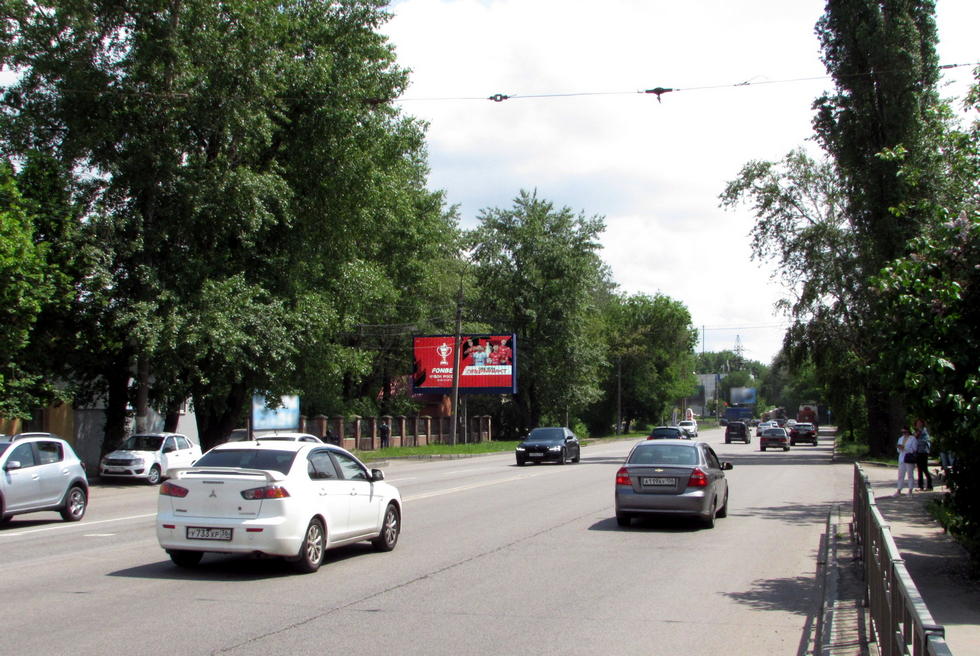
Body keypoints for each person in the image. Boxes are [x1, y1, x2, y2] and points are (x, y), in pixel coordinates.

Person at [896, 426, 917, 495]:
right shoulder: (900, 438)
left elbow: (914, 449)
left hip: (909, 458)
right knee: (900, 475)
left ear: (908, 431)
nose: (904, 433)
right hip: (901, 458)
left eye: (905, 432)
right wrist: (899, 448)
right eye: (902, 432)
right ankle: (899, 490)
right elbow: (898, 450)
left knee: (910, 474)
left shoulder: (912, 439)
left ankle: (910, 490)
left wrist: (905, 448)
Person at [914, 419, 933, 490]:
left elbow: (925, 441)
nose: (918, 424)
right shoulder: (916, 432)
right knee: (919, 469)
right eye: (917, 423)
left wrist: (916, 440)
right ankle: (920, 486)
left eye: (920, 423)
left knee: (924, 468)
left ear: (922, 424)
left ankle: (929, 485)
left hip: (924, 452)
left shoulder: (924, 432)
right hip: (918, 452)